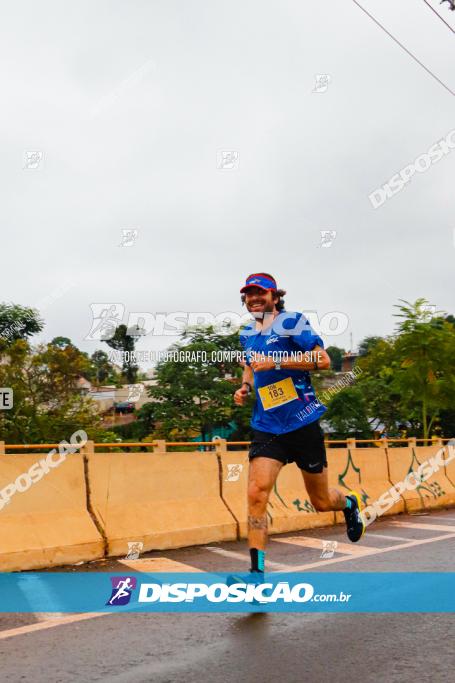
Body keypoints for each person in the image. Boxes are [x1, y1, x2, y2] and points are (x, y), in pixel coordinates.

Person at [234, 272, 365, 576]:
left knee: (320, 501)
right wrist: (245, 386)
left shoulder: (292, 322)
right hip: (267, 426)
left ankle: (348, 504)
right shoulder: (246, 331)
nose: (254, 299)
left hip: (302, 423)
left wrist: (278, 362)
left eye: (261, 293)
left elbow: (322, 361)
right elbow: (249, 362)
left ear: (275, 297)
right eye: (249, 295)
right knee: (256, 494)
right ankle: (257, 577)